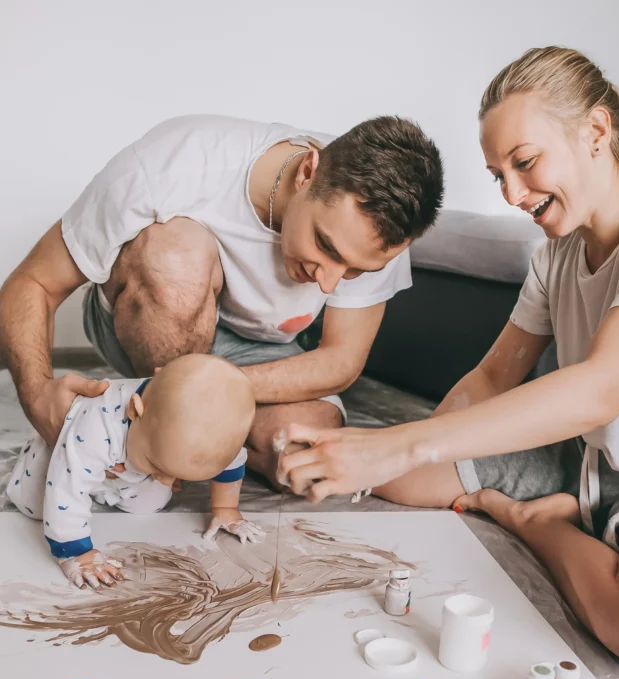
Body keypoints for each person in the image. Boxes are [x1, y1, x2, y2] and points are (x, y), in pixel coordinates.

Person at [279, 47, 619, 667]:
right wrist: (396, 448)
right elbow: (493, 376)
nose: (511, 192)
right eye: (497, 174)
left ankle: (537, 524)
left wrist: (398, 445)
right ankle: (568, 508)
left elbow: (601, 390)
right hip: (580, 457)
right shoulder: (557, 253)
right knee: (385, 476)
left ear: (596, 131)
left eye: (525, 162)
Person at [0, 114, 444, 488]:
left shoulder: (382, 233)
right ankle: (158, 420)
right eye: (325, 247)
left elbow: (341, 360)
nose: (329, 285)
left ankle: (174, 431)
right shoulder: (173, 166)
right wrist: (39, 396)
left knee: (304, 456)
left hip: (261, 348)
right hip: (148, 312)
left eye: (353, 270)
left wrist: (211, 388)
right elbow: (33, 282)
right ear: (308, 172)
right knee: (175, 253)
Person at [7, 354, 260, 589]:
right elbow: (66, 488)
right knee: (34, 506)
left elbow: (230, 461)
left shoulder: (218, 433)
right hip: (68, 447)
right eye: (159, 467)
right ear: (134, 410)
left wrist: (226, 509)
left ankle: (105, 486)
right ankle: (37, 454)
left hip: (126, 466)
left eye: (174, 474)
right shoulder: (95, 426)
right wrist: (77, 553)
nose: (166, 480)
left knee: (149, 505)